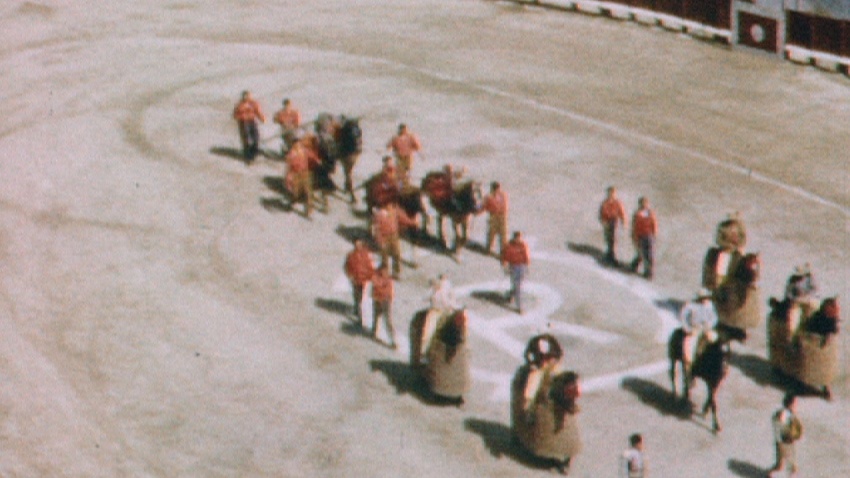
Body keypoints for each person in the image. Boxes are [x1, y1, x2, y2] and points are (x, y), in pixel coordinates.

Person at [372, 202, 418, 279]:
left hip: (394, 236)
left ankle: (396, 272)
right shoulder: (379, 215)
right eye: (389, 205)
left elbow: (403, 219)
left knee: (396, 254)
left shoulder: (395, 211)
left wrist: (412, 222)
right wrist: (380, 241)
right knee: (384, 257)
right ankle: (384, 273)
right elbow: (376, 230)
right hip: (384, 237)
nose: (390, 206)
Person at [679, 288, 718, 370]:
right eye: (703, 298)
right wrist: (689, 329)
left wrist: (708, 326)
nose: (705, 300)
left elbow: (714, 318)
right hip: (693, 330)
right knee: (688, 347)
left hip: (705, 329)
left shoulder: (710, 305)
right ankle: (688, 366)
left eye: (707, 297)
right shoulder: (690, 306)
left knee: (714, 339)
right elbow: (683, 318)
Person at [769, 394, 803, 478]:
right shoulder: (783, 414)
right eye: (795, 404)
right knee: (782, 466)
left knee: (790, 466)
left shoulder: (789, 414)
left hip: (788, 443)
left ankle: (773, 473)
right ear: (790, 404)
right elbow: (781, 428)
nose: (796, 406)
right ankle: (770, 474)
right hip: (783, 443)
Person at [284, 136, 318, 218]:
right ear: (293, 145)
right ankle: (293, 201)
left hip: (305, 173)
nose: (298, 146)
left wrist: (316, 160)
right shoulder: (291, 154)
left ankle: (308, 211)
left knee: (308, 192)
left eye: (299, 144)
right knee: (296, 192)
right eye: (296, 144)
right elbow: (289, 167)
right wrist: (288, 177)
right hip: (296, 175)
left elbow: (312, 156)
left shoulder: (304, 151)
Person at [344, 240, 375, 326]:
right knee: (356, 296)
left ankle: (359, 314)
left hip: (363, 280)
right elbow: (347, 266)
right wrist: (350, 275)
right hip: (355, 279)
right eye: (356, 245)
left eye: (359, 245)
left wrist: (371, 276)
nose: (358, 246)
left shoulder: (365, 255)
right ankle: (358, 311)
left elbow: (369, 266)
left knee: (361, 298)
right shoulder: (351, 255)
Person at [477, 181, 509, 258]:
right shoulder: (503, 195)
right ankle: (502, 252)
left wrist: (477, 211)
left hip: (494, 216)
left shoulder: (489, 197)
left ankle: (489, 249)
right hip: (503, 216)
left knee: (492, 233)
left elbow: (484, 205)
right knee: (503, 234)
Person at [232, 90, 266, 161]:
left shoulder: (254, 103)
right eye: (245, 96)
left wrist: (262, 118)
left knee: (256, 136)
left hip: (252, 121)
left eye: (248, 96)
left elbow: (258, 112)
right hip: (244, 123)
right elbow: (235, 115)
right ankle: (247, 153)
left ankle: (255, 150)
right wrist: (241, 117)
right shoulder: (239, 105)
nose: (247, 97)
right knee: (246, 138)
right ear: (243, 97)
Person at [502, 231, 530, 314]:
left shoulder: (523, 245)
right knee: (516, 285)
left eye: (519, 238)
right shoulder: (509, 246)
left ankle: (518, 306)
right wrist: (506, 268)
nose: (518, 239)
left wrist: (526, 267)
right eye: (517, 238)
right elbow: (504, 257)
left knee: (518, 286)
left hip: (521, 267)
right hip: (513, 267)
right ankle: (513, 297)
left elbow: (527, 257)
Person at [630, 196, 657, 280]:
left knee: (650, 255)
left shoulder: (650, 213)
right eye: (642, 203)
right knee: (642, 253)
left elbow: (654, 224)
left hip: (649, 236)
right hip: (640, 236)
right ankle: (634, 265)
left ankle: (649, 272)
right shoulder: (637, 214)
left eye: (645, 203)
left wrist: (654, 234)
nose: (644, 205)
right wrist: (634, 237)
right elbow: (634, 227)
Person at [599, 186, 627, 266]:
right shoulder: (605, 203)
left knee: (613, 239)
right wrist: (603, 222)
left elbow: (621, 212)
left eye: (612, 193)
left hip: (614, 222)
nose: (611, 195)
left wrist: (623, 221)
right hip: (607, 222)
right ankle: (610, 254)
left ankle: (611, 255)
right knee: (608, 238)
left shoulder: (617, 203)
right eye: (609, 193)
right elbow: (601, 214)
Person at [371, 264, 397, 349]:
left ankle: (393, 340)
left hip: (384, 301)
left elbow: (387, 290)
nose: (385, 272)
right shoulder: (378, 277)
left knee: (387, 321)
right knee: (376, 318)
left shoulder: (387, 279)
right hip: (379, 300)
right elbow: (375, 285)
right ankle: (374, 333)